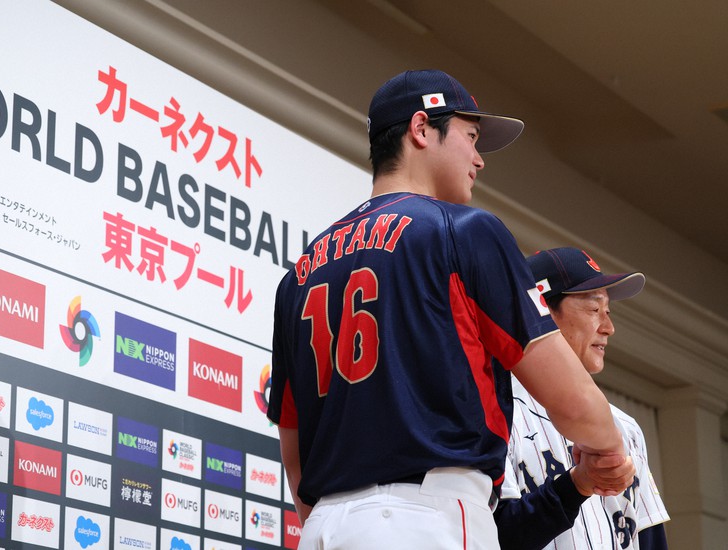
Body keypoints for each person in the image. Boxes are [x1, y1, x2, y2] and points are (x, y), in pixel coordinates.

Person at [266, 69, 633, 549]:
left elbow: (294, 456)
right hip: (428, 515)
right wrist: (609, 454)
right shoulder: (465, 230)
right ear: (421, 129)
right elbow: (574, 401)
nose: (479, 159)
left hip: (325, 527)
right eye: (471, 136)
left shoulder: (298, 275)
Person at [496, 247, 670, 549]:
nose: (608, 327)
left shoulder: (624, 428)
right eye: (594, 310)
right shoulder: (495, 405)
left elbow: (649, 539)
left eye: (608, 312)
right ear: (542, 310)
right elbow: (498, 536)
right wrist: (576, 485)